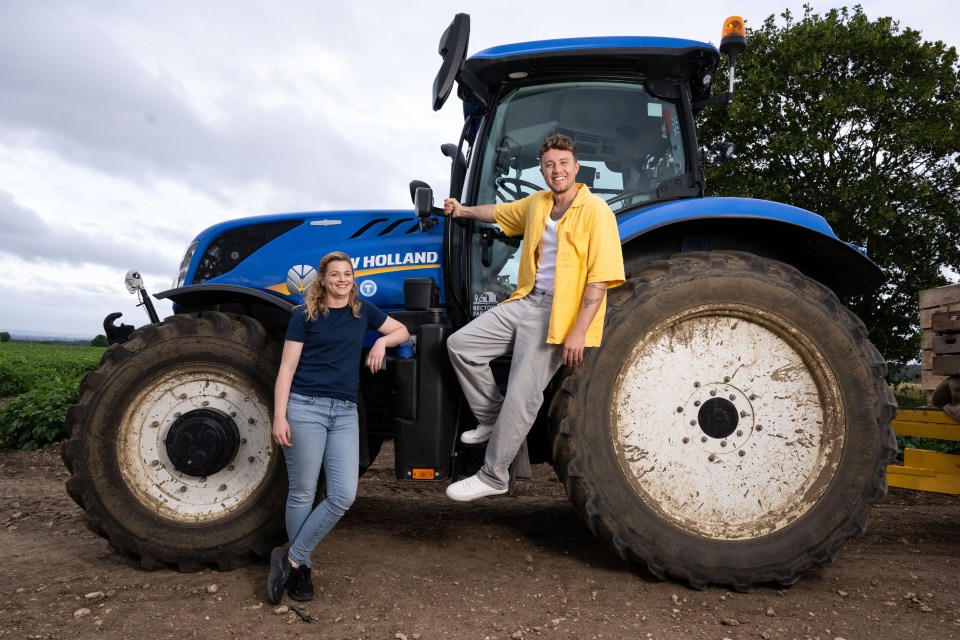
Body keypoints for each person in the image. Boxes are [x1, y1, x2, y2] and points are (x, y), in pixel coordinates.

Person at [443, 133, 625, 502]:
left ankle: (494, 475)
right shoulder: (538, 204)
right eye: (549, 165)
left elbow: (600, 278)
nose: (556, 170)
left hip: (559, 312)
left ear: (576, 167)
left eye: (563, 164)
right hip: (526, 299)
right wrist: (461, 210)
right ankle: (492, 418)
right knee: (460, 345)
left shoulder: (596, 212)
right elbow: (496, 213)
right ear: (542, 170)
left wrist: (577, 333)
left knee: (523, 395)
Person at [267, 251, 409, 604]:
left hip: (345, 413)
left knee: (343, 494)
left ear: (352, 279)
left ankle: (291, 558)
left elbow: (403, 331)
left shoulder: (364, 313)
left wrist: (380, 341)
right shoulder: (305, 316)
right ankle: (302, 571)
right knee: (302, 492)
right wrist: (279, 416)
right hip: (305, 409)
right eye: (335, 275)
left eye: (347, 274)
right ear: (323, 279)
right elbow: (286, 370)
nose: (342, 280)